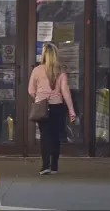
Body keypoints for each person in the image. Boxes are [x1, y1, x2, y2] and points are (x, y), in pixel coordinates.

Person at [28, 42, 76, 175]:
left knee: (45, 136)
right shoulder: (61, 71)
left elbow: (31, 90)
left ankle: (45, 166)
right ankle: (54, 166)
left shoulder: (37, 70)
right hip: (57, 107)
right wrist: (71, 111)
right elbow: (66, 92)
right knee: (55, 137)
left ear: (44, 55)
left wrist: (39, 98)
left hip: (42, 107)